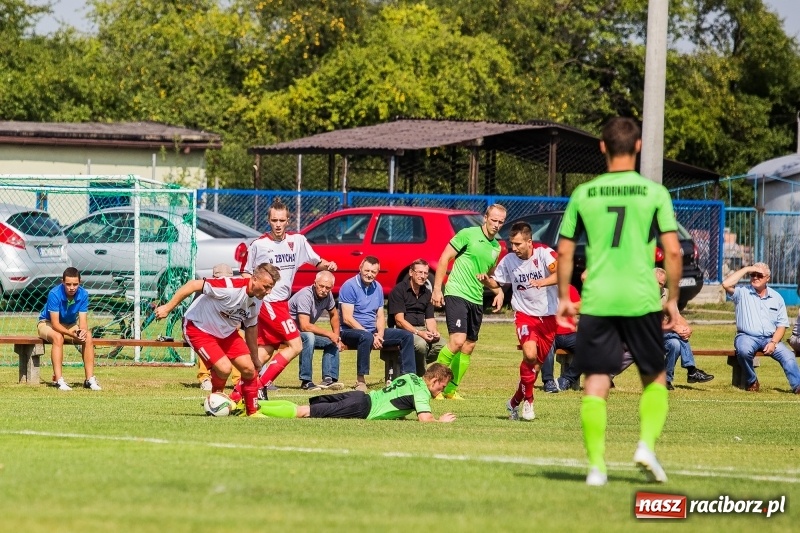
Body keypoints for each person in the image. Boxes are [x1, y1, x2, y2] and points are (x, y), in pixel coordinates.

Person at [556, 117, 683, 487]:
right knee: (655, 377)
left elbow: (565, 251)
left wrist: (564, 296)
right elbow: (672, 251)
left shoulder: (584, 193)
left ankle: (597, 468)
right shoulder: (654, 193)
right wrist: (672, 300)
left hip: (598, 298)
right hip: (641, 298)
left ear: (602, 147)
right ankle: (645, 445)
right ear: (639, 147)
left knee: (596, 381)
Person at [155, 263, 280, 417]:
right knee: (224, 368)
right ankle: (215, 403)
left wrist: (255, 358)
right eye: (266, 286)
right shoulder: (229, 286)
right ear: (254, 279)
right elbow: (193, 284)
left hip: (226, 333)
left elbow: (251, 328)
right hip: (198, 328)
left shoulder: (258, 300)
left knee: (249, 369)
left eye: (271, 288)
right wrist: (168, 307)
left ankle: (251, 412)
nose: (268, 292)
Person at [242, 198, 337, 395]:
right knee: (296, 344)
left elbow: (316, 261)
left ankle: (245, 386)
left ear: (288, 221)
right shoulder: (259, 245)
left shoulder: (297, 241)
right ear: (268, 221)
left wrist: (328, 264)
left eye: (282, 220)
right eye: (274, 220)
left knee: (267, 348)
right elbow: (245, 273)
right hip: (267, 303)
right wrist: (250, 298)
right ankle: (261, 385)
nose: (278, 225)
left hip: (282, 304)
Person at [480, 222, 558, 421]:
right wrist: (486, 280)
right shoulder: (508, 260)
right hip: (524, 315)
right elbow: (497, 282)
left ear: (529, 242)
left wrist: (543, 281)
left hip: (548, 317)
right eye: (511, 244)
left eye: (517, 244)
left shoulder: (544, 254)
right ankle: (529, 403)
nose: (513, 248)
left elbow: (561, 273)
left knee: (534, 369)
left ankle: (513, 402)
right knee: (529, 355)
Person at [431, 203, 506, 399]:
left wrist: (498, 291)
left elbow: (488, 277)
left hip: (476, 298)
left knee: (468, 347)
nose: (497, 225)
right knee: (457, 341)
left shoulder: (496, 248)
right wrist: (438, 289)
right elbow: (443, 259)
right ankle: (432, 384)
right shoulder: (467, 234)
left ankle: (450, 390)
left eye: (501, 222)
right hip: (457, 292)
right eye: (494, 220)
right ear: (485, 218)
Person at [249, 363, 456, 423]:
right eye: (442, 386)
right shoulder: (421, 392)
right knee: (304, 412)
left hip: (360, 397)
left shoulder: (411, 377)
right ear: (434, 380)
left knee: (308, 408)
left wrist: (398, 415)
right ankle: (254, 408)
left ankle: (252, 406)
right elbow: (425, 419)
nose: (442, 390)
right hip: (361, 408)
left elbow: (397, 397)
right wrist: (441, 421)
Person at [340, 256, 415, 392]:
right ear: (360, 268)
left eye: (373, 272)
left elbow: (380, 315)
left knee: (406, 336)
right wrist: (371, 335)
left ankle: (408, 377)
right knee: (366, 337)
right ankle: (360, 380)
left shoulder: (378, 287)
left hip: (373, 331)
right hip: (349, 331)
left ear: (377, 272)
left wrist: (379, 334)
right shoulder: (349, 286)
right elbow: (347, 318)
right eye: (367, 270)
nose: (369, 274)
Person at [722, 263, 800, 393]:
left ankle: (797, 386)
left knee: (788, 356)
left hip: (770, 338)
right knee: (744, 350)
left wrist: (773, 342)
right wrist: (747, 268)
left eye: (759, 275)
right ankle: (752, 381)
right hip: (746, 336)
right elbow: (726, 284)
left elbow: (781, 326)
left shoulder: (777, 298)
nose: (755, 277)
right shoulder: (742, 292)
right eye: (753, 275)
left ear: (767, 278)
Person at [37, 267, 101, 391]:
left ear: (80, 283)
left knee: (87, 336)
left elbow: (83, 322)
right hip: (47, 323)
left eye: (75, 284)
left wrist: (81, 332)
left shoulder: (83, 294)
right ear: (62, 282)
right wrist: (72, 334)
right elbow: (55, 324)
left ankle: (89, 380)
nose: (72, 287)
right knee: (57, 337)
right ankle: (58, 380)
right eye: (68, 284)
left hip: (69, 324)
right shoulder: (54, 294)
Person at [654, 268, 714, 390]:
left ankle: (666, 380)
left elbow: (677, 316)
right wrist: (676, 328)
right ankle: (691, 370)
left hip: (664, 335)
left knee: (675, 344)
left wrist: (686, 328)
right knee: (676, 335)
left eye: (661, 284)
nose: (658, 286)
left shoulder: (667, 293)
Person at [387, 259, 444, 377]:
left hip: (421, 329)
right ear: (411, 272)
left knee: (442, 345)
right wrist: (419, 333)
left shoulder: (427, 293)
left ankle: (410, 365)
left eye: (425, 273)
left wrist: (434, 332)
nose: (423, 276)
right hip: (402, 331)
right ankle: (422, 378)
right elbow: (399, 320)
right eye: (419, 272)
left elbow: (430, 318)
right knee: (421, 345)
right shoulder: (398, 291)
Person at [289, 270, 345, 391]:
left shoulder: (328, 295)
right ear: (315, 283)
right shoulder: (305, 295)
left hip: (300, 333)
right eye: (321, 286)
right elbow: (304, 326)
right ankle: (306, 381)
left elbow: (334, 315)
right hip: (287, 332)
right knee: (309, 337)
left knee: (332, 342)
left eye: (328, 288)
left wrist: (336, 336)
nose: (324, 290)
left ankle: (329, 379)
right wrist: (330, 334)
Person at [196, 263, 241, 391]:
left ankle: (238, 380)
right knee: (204, 339)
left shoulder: (235, 293)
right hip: (204, 330)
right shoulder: (203, 292)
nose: (224, 281)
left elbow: (238, 321)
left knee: (240, 338)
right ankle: (205, 378)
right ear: (213, 277)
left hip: (226, 331)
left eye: (227, 278)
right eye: (220, 278)